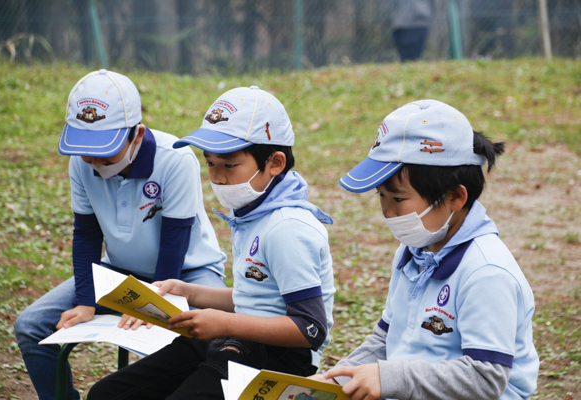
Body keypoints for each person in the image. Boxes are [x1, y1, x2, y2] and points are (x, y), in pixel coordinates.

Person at [88, 86, 336, 399]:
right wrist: (189, 292)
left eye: (229, 165)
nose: (217, 178)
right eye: (210, 164)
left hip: (279, 356)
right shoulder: (253, 211)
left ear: (275, 163)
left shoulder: (287, 227)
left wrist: (223, 324)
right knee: (107, 394)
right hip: (233, 337)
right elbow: (258, 298)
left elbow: (310, 329)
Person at [14, 69, 227, 400]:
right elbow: (86, 234)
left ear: (137, 134)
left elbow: (175, 240)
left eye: (104, 148)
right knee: (31, 325)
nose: (92, 159)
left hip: (189, 273)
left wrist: (150, 305)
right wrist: (85, 301)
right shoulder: (81, 164)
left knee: (213, 339)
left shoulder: (175, 159)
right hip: (118, 273)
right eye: (84, 147)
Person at [312, 99, 539, 399]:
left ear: (456, 197)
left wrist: (391, 377)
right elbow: (386, 338)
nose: (388, 212)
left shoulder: (486, 272)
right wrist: (335, 379)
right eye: (381, 196)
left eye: (399, 199)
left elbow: (486, 378)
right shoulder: (413, 254)